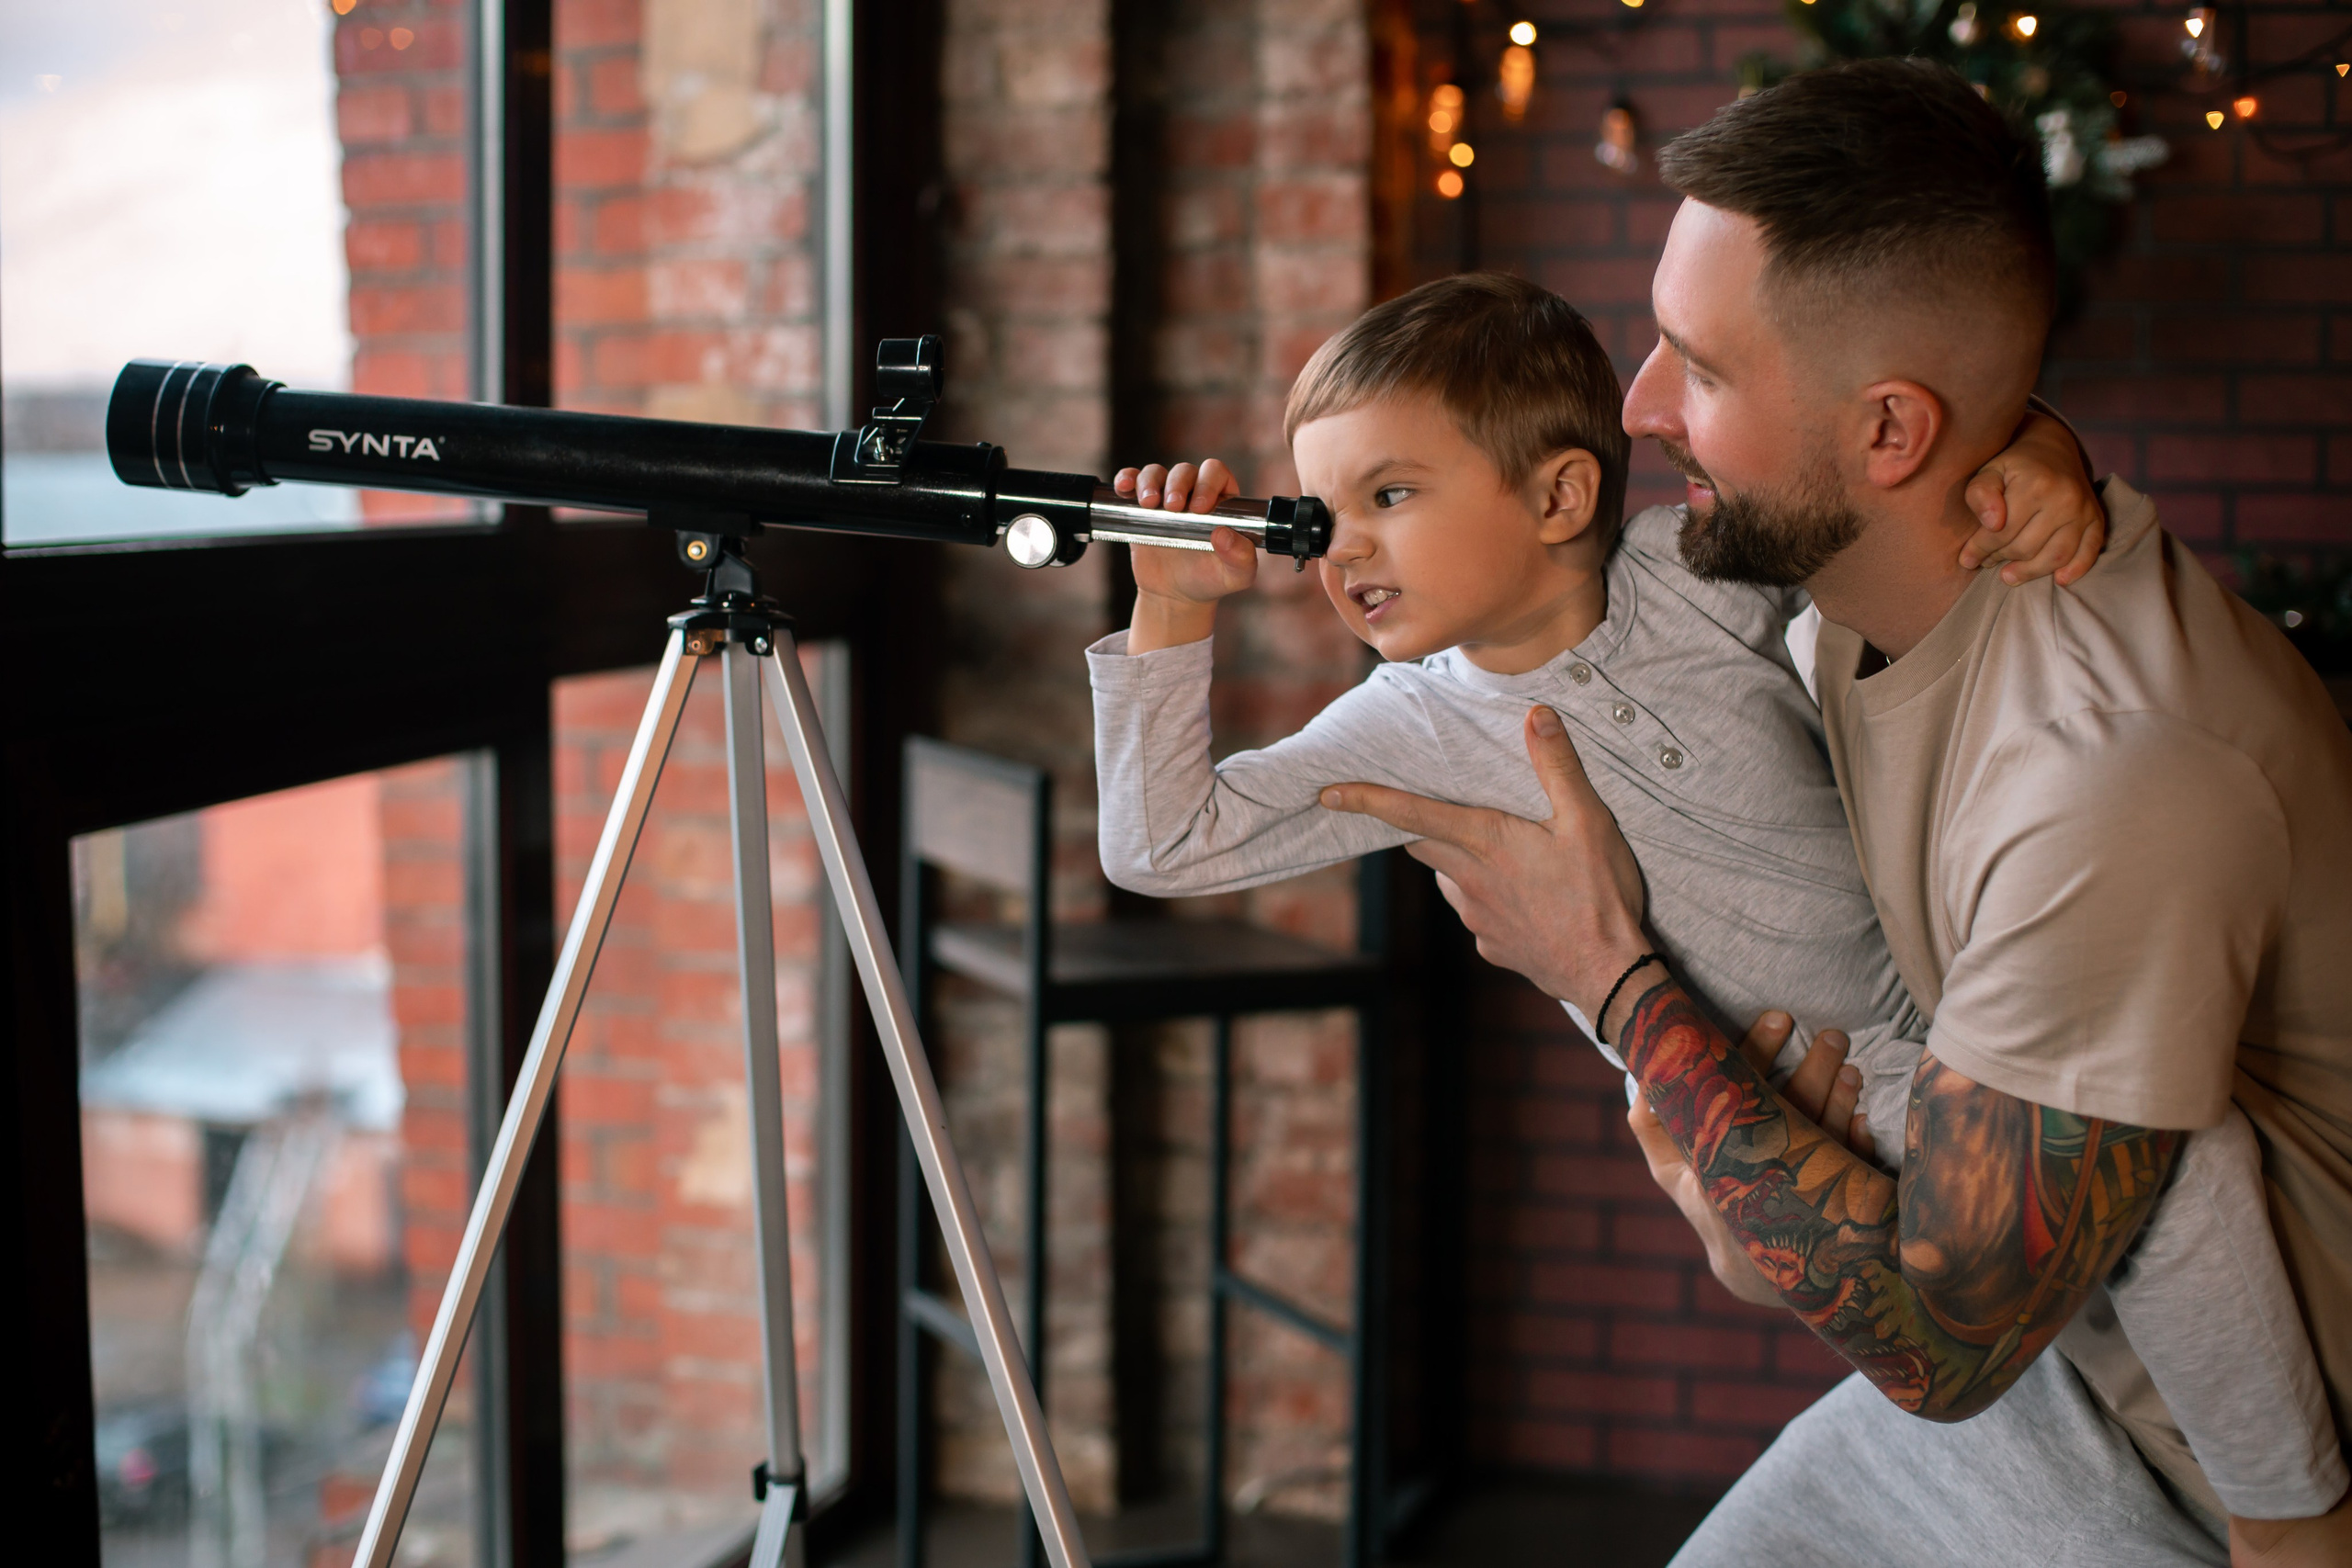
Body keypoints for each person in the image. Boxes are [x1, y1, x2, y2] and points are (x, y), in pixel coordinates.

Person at [1303, 62, 2352, 1567]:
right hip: (2064, 1376)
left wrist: (1606, 974)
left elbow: (1944, 1341)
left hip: (2222, 1470)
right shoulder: (1823, 608)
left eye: (1702, 369)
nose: (1641, 408)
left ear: (1891, 436)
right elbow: (1813, 1275)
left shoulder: (2107, 776)